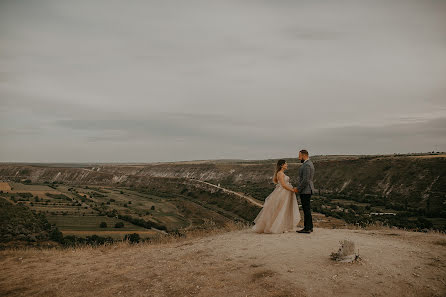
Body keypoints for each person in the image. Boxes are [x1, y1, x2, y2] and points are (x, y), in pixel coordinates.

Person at [252, 159, 301, 234]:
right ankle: (276, 227)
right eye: (285, 164)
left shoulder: (281, 173)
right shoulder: (280, 173)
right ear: (282, 165)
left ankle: (283, 226)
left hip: (285, 192)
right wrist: (293, 190)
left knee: (285, 209)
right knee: (280, 209)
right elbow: (283, 185)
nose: (287, 165)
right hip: (283, 193)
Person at [296, 149, 315, 234]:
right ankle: (310, 227)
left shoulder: (307, 165)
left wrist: (298, 189)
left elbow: (306, 180)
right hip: (307, 189)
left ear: (304, 155)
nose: (299, 158)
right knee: (307, 209)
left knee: (306, 209)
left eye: (299, 156)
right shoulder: (309, 163)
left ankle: (307, 228)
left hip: (306, 190)